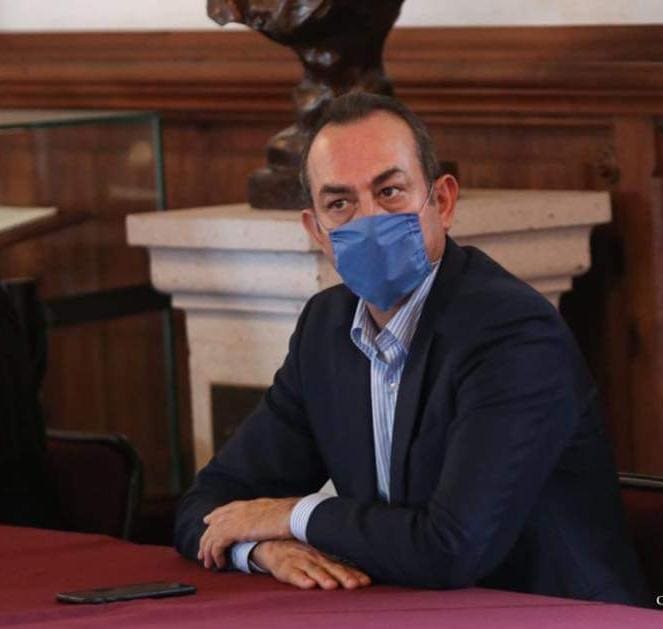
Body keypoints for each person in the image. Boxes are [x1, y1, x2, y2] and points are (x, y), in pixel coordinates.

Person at [175, 92, 650, 605]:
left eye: (390, 192)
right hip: (406, 607)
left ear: (442, 202)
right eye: (340, 204)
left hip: (555, 612)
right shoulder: (325, 329)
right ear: (317, 230)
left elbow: (450, 549)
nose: (369, 220)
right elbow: (208, 505)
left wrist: (292, 515)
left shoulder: (513, 333)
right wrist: (262, 548)